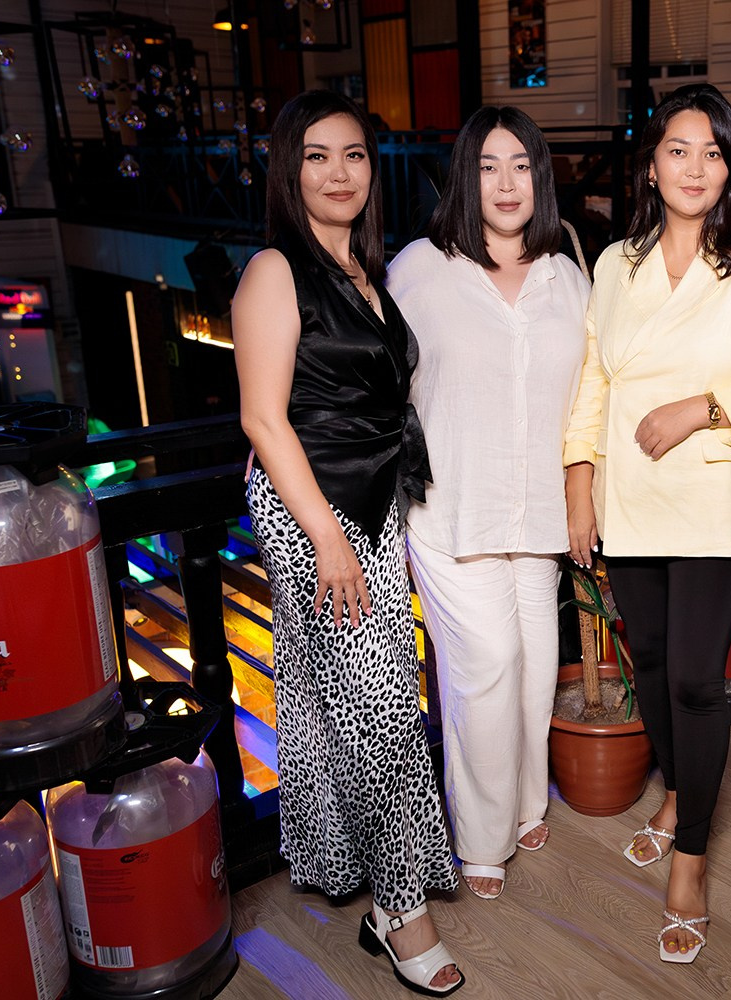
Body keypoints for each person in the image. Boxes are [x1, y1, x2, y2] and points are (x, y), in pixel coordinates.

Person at [563, 83, 731, 964]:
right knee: (653, 662)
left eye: (714, 151)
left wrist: (701, 408)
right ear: (650, 165)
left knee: (695, 682)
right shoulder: (616, 263)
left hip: (717, 495)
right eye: (679, 149)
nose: (695, 167)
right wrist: (579, 481)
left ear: (730, 167)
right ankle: (677, 795)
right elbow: (594, 379)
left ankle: (692, 861)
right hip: (631, 496)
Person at [233, 90, 464, 996]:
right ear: (289, 171)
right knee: (382, 717)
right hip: (313, 516)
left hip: (366, 509)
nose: (339, 173)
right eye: (318, 156)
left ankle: (366, 884)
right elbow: (263, 418)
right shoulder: (274, 270)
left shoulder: (363, 269)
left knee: (350, 706)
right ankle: (404, 913)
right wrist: (328, 536)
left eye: (355, 155)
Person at [386, 106, 589, 901]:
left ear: (541, 177)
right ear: (463, 179)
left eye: (521, 165)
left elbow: (589, 392)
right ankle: (479, 836)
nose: (506, 184)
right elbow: (371, 378)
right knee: (486, 667)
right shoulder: (419, 268)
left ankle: (527, 802)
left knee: (536, 667)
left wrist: (583, 491)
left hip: (537, 511)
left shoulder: (567, 271)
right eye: (487, 166)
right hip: (449, 511)